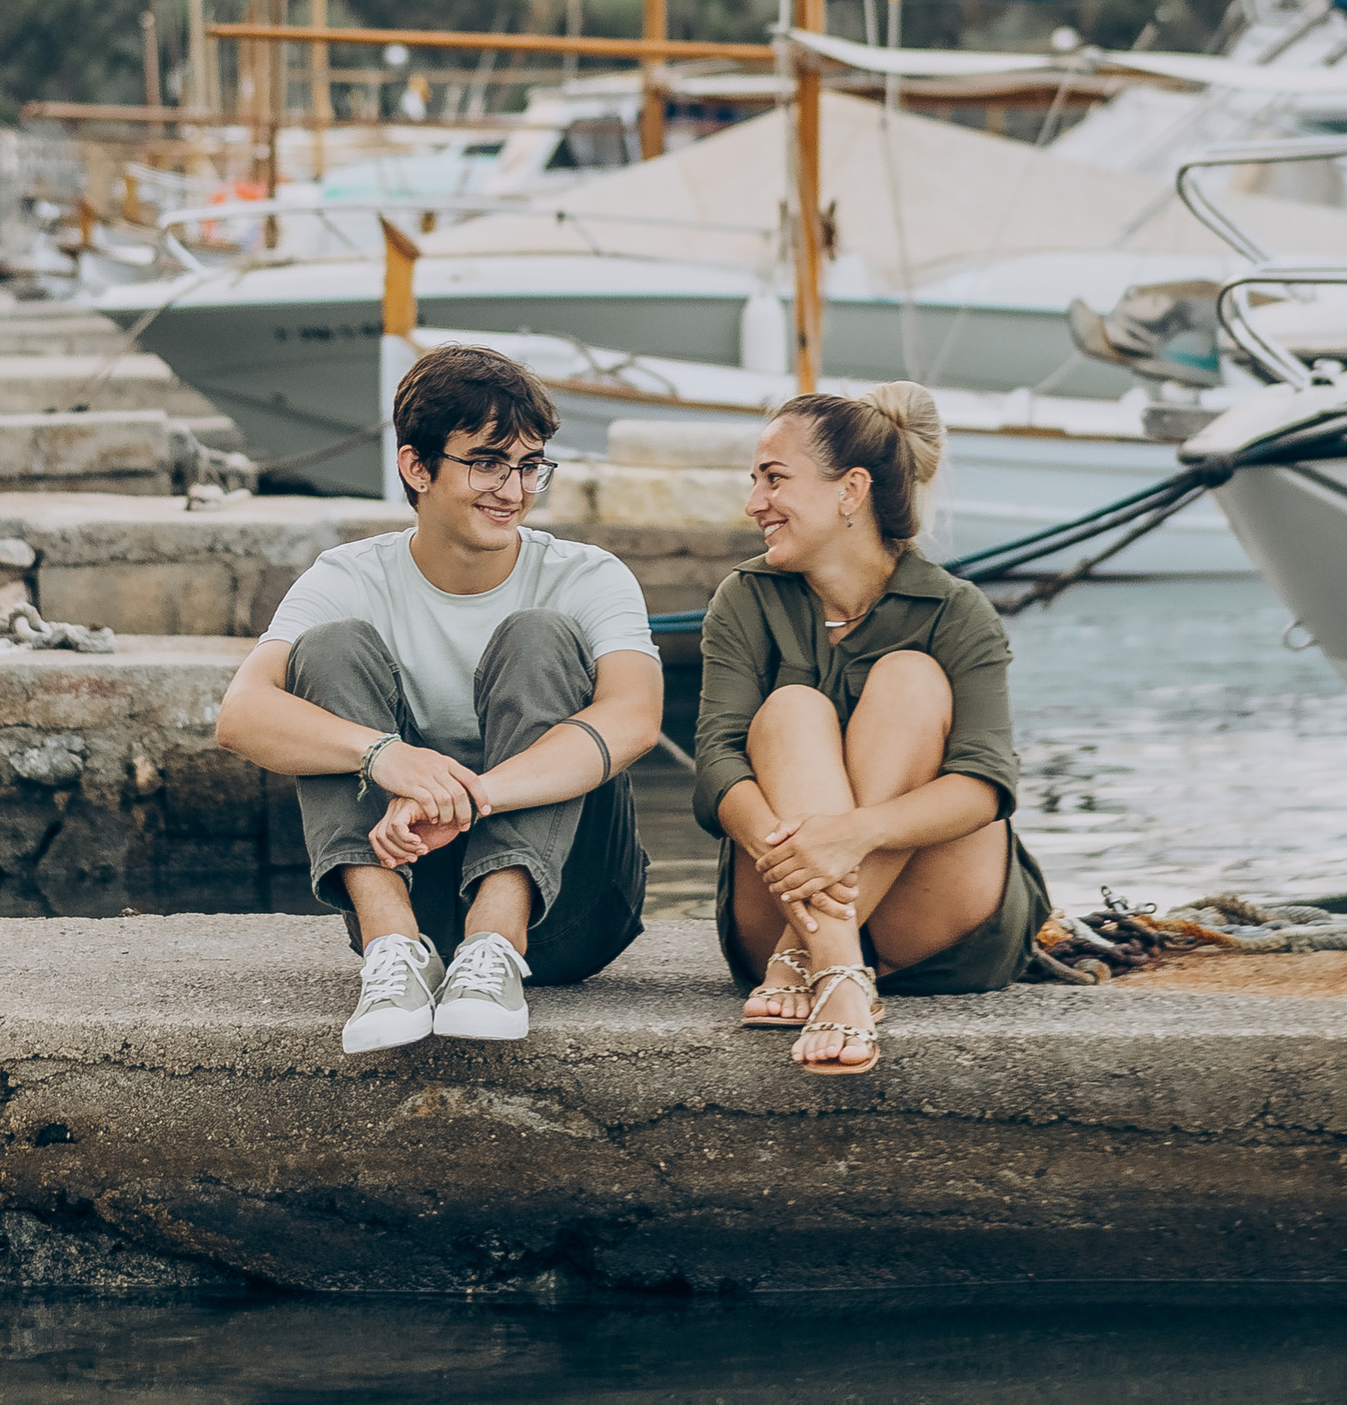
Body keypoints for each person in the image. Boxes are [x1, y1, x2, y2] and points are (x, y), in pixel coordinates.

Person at [215, 342, 663, 1054]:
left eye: (530, 465)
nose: (513, 490)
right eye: (486, 462)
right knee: (328, 648)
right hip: (411, 893)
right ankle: (392, 950)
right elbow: (241, 715)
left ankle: (497, 937)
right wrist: (386, 758)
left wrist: (466, 796)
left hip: (568, 915)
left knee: (540, 636)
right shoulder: (350, 576)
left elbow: (634, 721)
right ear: (416, 467)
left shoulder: (585, 577)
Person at [692, 383, 1050, 1075]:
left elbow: (985, 785)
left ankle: (816, 958)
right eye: (755, 482)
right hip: (775, 911)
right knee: (792, 710)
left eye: (773, 479)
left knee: (910, 679)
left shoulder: (957, 612)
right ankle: (841, 970)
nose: (753, 503)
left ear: (849, 490)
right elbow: (715, 764)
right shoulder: (745, 597)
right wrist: (799, 857)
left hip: (938, 930)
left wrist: (852, 834)